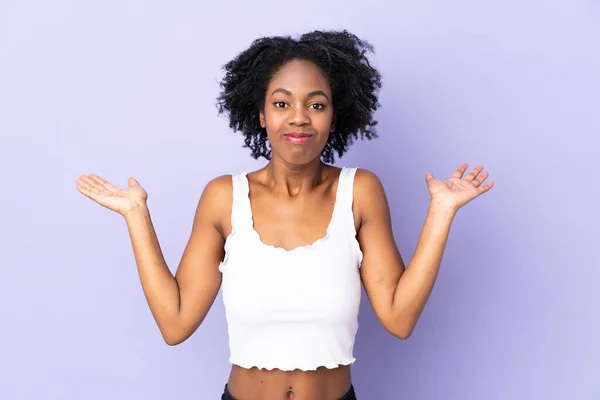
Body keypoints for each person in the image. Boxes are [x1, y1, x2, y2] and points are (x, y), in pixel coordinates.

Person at [75, 30, 494, 400]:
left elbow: (399, 319)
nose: (298, 117)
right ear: (261, 115)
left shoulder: (360, 192)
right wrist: (136, 215)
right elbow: (175, 323)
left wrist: (441, 212)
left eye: (316, 104)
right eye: (281, 103)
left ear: (334, 118)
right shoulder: (224, 197)